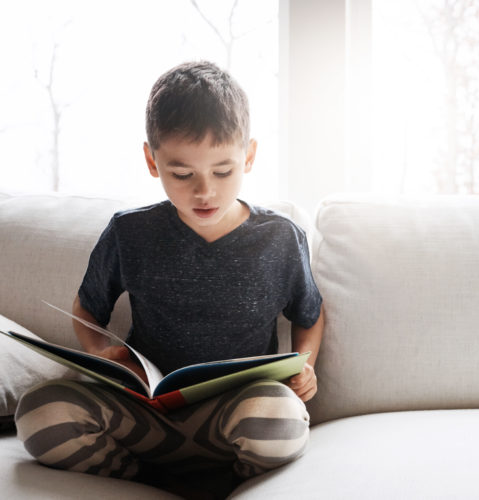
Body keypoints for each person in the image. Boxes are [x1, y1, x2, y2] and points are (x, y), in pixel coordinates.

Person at [14, 61, 324, 495]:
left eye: (222, 171)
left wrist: (306, 364)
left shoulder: (279, 239)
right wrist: (102, 351)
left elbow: (310, 314)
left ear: (249, 156)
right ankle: (143, 482)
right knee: (40, 410)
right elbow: (87, 307)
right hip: (146, 414)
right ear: (151, 160)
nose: (205, 192)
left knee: (279, 417)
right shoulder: (130, 232)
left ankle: (228, 481)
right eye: (182, 174)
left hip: (233, 417)